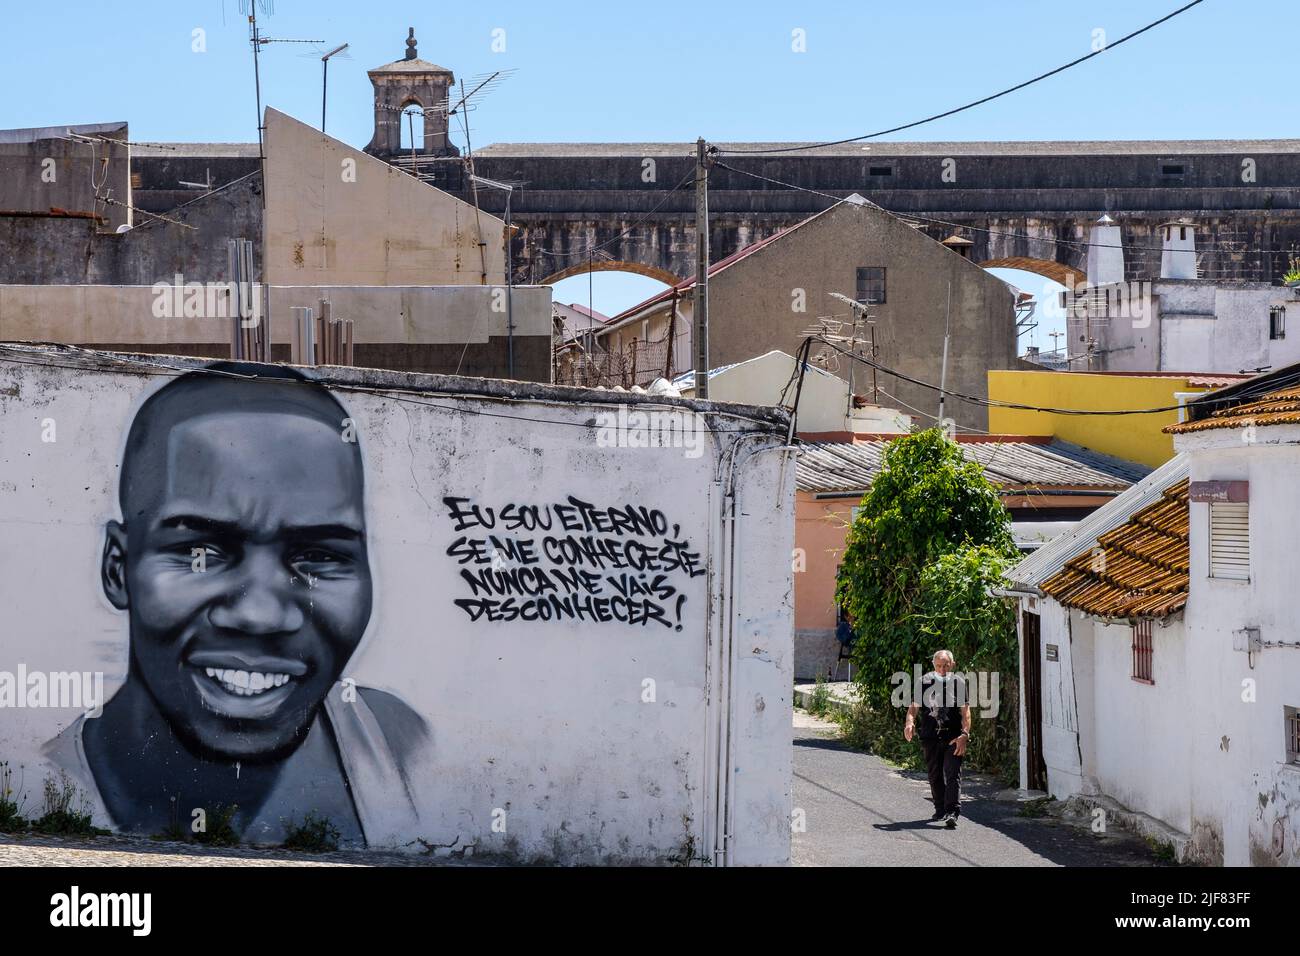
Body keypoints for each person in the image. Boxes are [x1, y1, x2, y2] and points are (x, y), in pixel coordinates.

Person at [43, 363, 430, 847]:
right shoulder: (44, 779)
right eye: (200, 553)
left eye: (319, 556)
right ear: (118, 569)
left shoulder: (398, 742)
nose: (260, 615)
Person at [903, 650, 970, 829]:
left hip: (953, 736)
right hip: (930, 736)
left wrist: (965, 734)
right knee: (934, 774)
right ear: (934, 665)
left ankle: (952, 812)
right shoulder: (924, 682)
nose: (942, 669)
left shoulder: (959, 683)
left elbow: (966, 713)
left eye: (946, 665)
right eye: (939, 666)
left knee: (953, 773)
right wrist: (909, 723)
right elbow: (913, 709)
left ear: (952, 665)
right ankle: (939, 808)